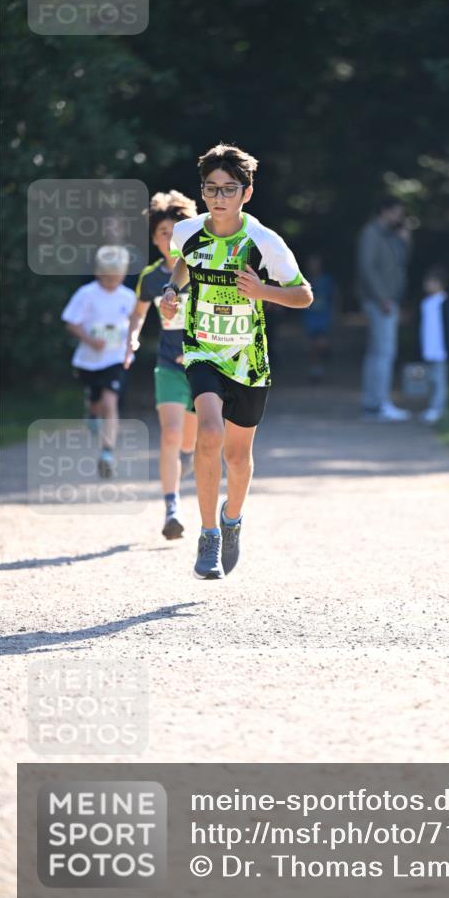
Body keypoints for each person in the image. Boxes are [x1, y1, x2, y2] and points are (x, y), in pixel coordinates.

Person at [159, 142, 313, 580]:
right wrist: (172, 293)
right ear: (202, 192)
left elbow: (304, 296)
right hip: (202, 349)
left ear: (247, 192)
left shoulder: (264, 242)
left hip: (249, 359)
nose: (219, 198)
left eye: (229, 189)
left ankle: (231, 519)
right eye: (211, 189)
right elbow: (183, 267)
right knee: (208, 431)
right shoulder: (187, 232)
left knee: (238, 457)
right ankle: (207, 533)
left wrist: (263, 291)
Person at [125, 190, 199, 540]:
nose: (169, 239)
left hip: (203, 367)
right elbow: (137, 315)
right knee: (169, 433)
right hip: (169, 365)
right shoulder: (151, 278)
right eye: (162, 234)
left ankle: (186, 455)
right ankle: (171, 508)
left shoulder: (202, 270)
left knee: (189, 440)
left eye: (174, 232)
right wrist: (132, 339)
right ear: (154, 240)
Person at [61, 245, 136, 478]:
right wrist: (90, 340)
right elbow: (71, 322)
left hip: (115, 358)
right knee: (97, 402)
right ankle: (91, 411)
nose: (112, 281)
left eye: (116, 277)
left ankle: (107, 452)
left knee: (110, 401)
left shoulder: (129, 297)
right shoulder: (87, 294)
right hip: (89, 361)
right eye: (107, 277)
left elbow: (134, 324)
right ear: (98, 273)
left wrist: (131, 344)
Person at [356, 198, 412, 421]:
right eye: (397, 213)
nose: (399, 218)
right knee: (384, 353)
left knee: (378, 352)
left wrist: (406, 242)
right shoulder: (371, 233)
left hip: (389, 299)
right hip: (381, 302)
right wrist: (382, 298)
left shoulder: (392, 235)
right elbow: (367, 268)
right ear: (385, 211)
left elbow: (401, 263)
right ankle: (379, 404)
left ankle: (373, 403)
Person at [418, 266, 449, 424]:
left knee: (439, 379)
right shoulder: (425, 303)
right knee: (430, 379)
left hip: (440, 349)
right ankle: (432, 406)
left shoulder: (446, 304)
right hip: (428, 348)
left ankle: (438, 407)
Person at [301, 253, 338, 382]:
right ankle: (314, 369)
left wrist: (335, 314)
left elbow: (334, 297)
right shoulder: (304, 280)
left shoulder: (326, 280)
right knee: (311, 345)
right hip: (310, 316)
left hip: (323, 316)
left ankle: (321, 365)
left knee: (322, 343)